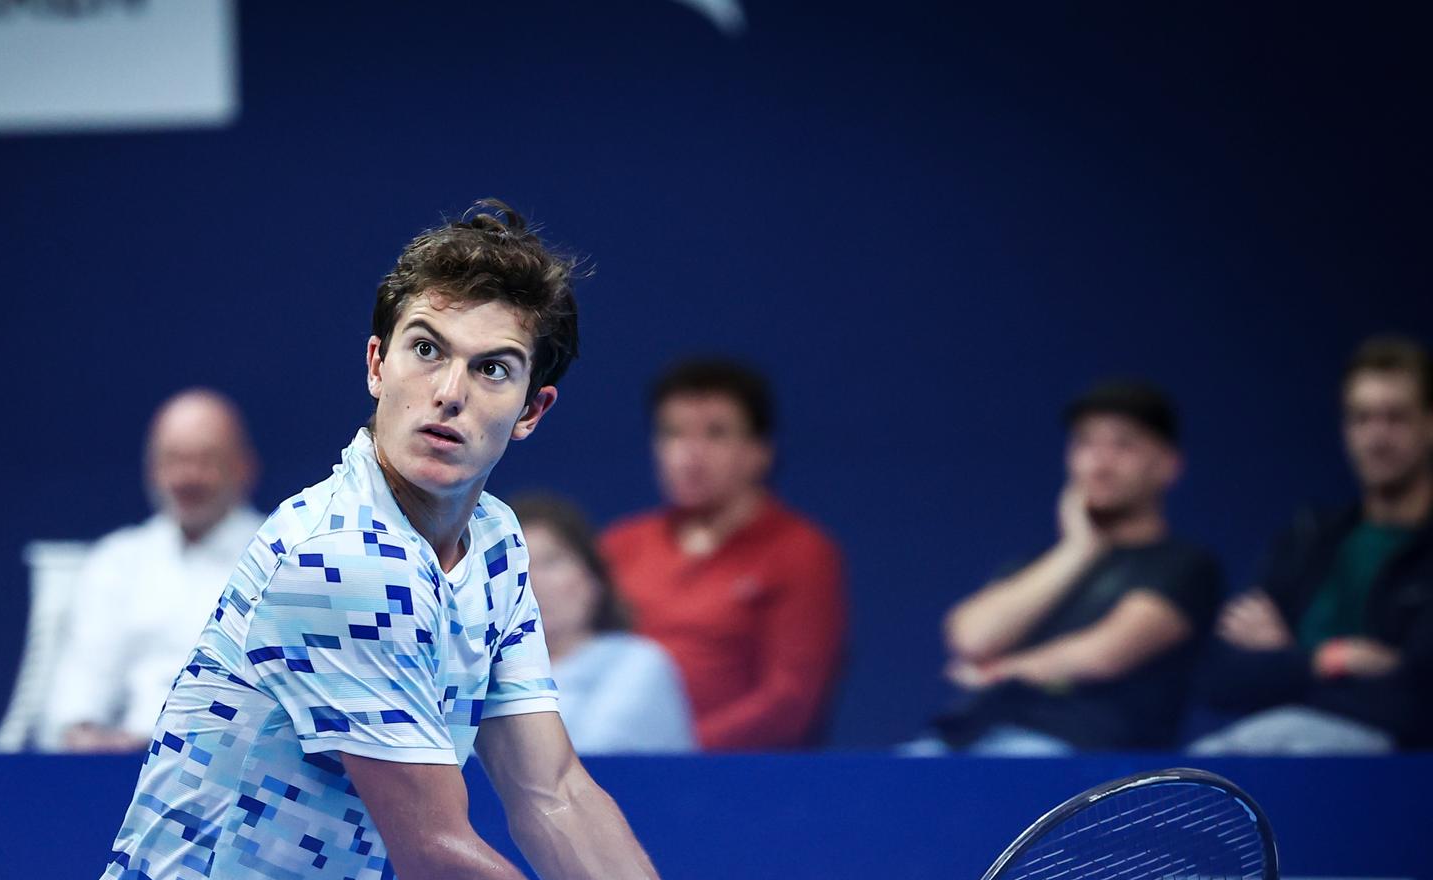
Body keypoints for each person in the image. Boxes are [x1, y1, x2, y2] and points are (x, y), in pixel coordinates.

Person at [43, 203, 838, 880]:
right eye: (427, 350)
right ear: (377, 363)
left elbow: (551, 792)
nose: (451, 391)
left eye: (493, 368)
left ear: (534, 407)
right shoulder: (340, 557)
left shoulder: (497, 542)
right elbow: (442, 863)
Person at [908, 380, 1222, 755]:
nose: (1100, 464)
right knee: (896, 769)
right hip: (972, 739)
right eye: (1086, 444)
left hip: (1085, 754)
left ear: (1168, 466)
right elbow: (972, 637)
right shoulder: (1043, 563)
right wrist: (1077, 549)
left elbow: (1105, 653)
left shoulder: (1184, 565)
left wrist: (1000, 671)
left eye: (1124, 446)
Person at [1192, 336, 1433, 753]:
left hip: (1394, 765)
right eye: (1361, 418)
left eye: (1396, 418)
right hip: (1282, 739)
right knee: (1200, 769)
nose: (1377, 437)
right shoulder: (1310, 538)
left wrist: (1284, 658)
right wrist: (1329, 658)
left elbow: (1417, 697)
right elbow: (1222, 676)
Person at [600, 359, 846, 750]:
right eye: (673, 433)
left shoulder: (801, 551)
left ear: (760, 452)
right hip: (614, 764)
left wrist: (673, 750)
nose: (690, 454)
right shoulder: (620, 544)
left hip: (736, 775)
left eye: (716, 433)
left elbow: (791, 702)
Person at [41, 390, 262, 753]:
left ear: (243, 467)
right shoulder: (117, 560)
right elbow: (79, 693)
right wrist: (85, 736)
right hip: (126, 765)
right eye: (174, 459)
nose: (188, 477)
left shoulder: (276, 556)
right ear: (153, 469)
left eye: (206, 460)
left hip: (239, 763)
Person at [510, 493, 696, 754]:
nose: (533, 581)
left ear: (593, 578)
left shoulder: (640, 662)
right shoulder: (480, 672)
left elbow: (587, 756)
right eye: (516, 567)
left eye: (551, 562)